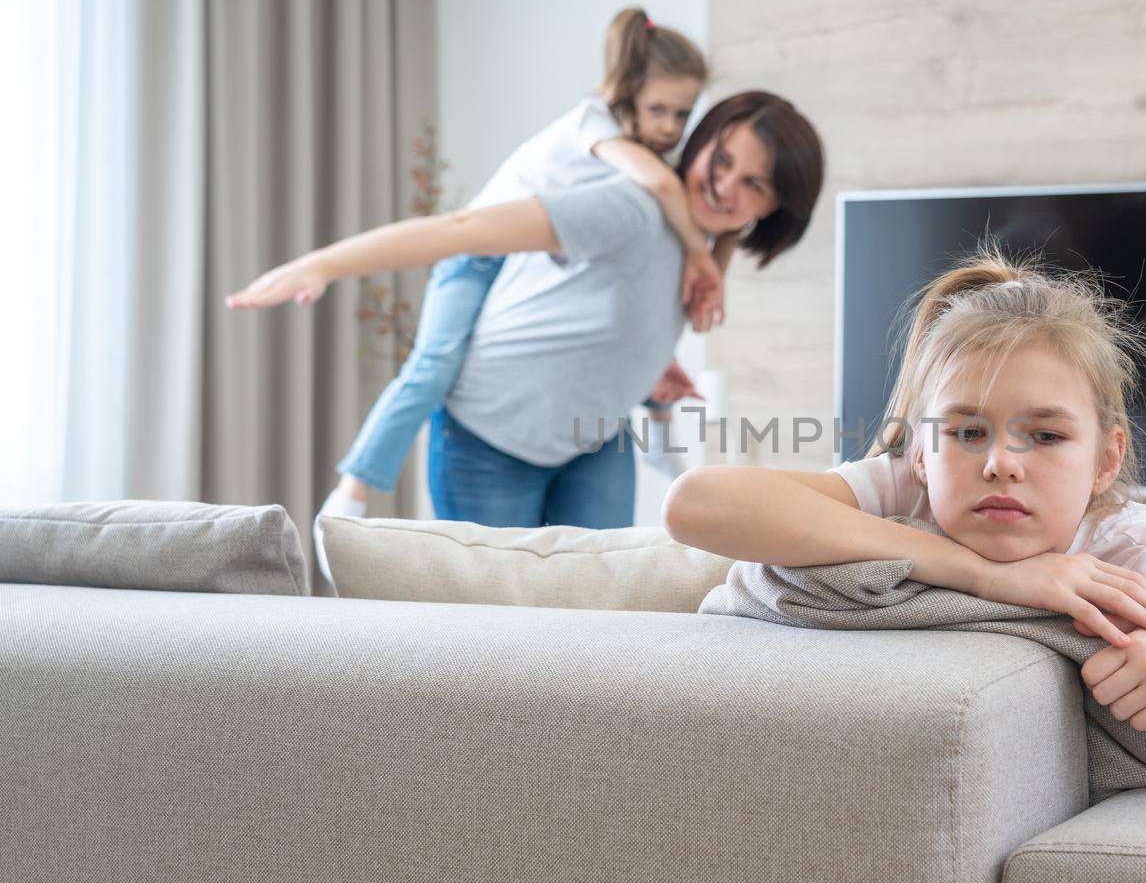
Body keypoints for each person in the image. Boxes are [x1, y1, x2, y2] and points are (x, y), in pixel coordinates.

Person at [663, 248, 1146, 739]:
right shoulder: (912, 486)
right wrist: (986, 574)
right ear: (922, 450)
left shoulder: (1134, 554)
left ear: (1107, 459)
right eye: (966, 431)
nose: (1000, 460)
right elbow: (695, 504)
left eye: (1045, 434)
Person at [229, 91, 825, 545]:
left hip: (593, 441)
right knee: (499, 644)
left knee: (597, 630)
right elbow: (463, 230)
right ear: (701, 141)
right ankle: (355, 487)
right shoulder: (631, 207)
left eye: (753, 185)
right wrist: (324, 264)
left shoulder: (706, 253)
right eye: (720, 160)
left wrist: (646, 371)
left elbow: (613, 313)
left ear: (775, 210)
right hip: (491, 438)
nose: (723, 187)